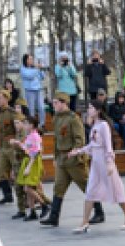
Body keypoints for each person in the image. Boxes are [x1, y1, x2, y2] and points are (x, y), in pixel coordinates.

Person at [68, 100, 125, 233]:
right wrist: (78, 151)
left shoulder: (104, 125)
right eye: (89, 108)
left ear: (98, 110)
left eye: (91, 108)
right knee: (90, 191)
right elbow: (92, 146)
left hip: (105, 163)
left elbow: (108, 146)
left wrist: (110, 163)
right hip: (96, 164)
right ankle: (84, 222)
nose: (89, 110)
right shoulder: (94, 126)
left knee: (116, 191)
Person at [39, 92, 90, 228]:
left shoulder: (73, 118)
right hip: (62, 159)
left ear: (64, 103)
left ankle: (99, 211)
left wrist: (76, 152)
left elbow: (80, 139)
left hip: (73, 160)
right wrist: (56, 157)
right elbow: (57, 140)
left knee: (86, 186)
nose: (54, 105)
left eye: (56, 103)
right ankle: (54, 217)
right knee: (58, 187)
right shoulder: (56, 119)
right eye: (53, 102)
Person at [14, 115, 51, 219]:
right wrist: (19, 143)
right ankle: (32, 211)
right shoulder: (29, 135)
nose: (24, 125)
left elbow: (36, 151)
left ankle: (44, 205)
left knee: (28, 188)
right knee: (28, 187)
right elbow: (27, 148)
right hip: (28, 159)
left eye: (26, 123)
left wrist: (29, 166)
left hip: (32, 161)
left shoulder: (35, 136)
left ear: (31, 125)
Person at [0, 87, 22, 208]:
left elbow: (19, 129)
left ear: (6, 99)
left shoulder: (12, 113)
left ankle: (24, 200)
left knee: (17, 173)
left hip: (12, 147)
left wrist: (18, 143)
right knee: (0, 171)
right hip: (3, 147)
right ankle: (8, 195)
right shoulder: (0, 113)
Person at [20, 55, 46, 127]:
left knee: (42, 107)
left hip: (39, 89)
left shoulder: (35, 68)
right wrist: (37, 68)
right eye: (30, 59)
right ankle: (32, 125)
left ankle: (42, 124)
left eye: (32, 59)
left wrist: (40, 70)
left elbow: (42, 77)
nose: (32, 60)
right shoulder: (23, 69)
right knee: (31, 109)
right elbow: (30, 76)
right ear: (26, 60)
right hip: (30, 90)